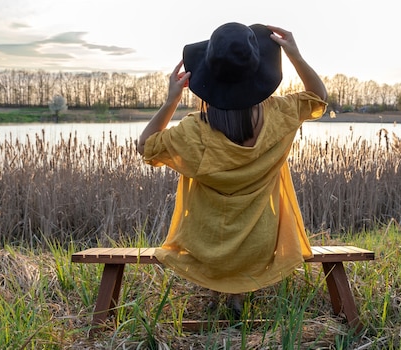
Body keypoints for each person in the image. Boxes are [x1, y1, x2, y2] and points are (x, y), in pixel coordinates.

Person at [137, 22, 327, 318]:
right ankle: (236, 297)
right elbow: (318, 98)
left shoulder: (193, 133)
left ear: (209, 75)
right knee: (246, 239)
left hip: (206, 247)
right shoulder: (280, 115)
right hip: (260, 247)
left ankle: (219, 291)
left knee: (216, 235)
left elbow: (145, 146)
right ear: (258, 69)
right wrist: (295, 56)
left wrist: (171, 99)